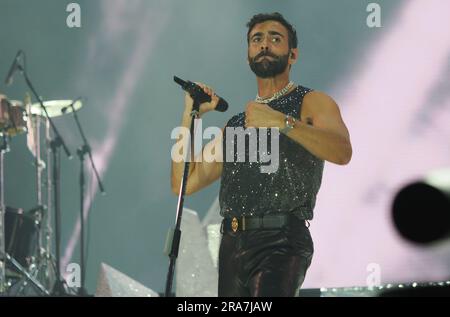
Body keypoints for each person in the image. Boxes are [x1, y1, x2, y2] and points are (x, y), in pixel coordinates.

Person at [171, 12, 352, 297]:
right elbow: (183, 184)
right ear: (248, 56)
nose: (264, 44)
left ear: (293, 55)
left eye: (275, 38)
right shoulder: (237, 123)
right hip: (231, 244)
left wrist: (283, 122)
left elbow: (342, 151)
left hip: (280, 241)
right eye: (257, 39)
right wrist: (189, 116)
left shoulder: (311, 101)